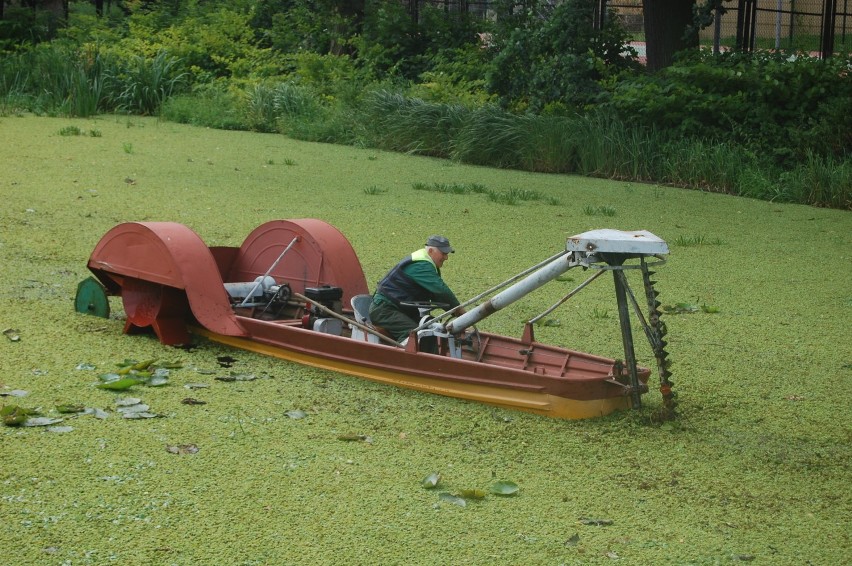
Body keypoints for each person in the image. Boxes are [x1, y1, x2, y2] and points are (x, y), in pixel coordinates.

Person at [369, 235, 466, 343]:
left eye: (447, 254)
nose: (446, 257)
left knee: (430, 330)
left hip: (401, 310)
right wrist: (460, 311)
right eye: (443, 254)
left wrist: (456, 315)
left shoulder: (428, 264)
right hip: (385, 310)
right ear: (430, 251)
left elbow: (436, 295)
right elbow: (441, 291)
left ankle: (430, 357)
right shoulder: (421, 265)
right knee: (413, 335)